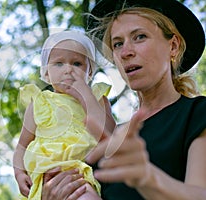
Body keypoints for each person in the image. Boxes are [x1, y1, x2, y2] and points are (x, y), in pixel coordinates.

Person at [41, 0, 206, 199]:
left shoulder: (197, 114)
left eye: (140, 37)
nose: (125, 52)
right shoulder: (107, 137)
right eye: (117, 44)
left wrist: (148, 178)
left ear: (173, 46)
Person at [13, 30, 116, 200]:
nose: (68, 69)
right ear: (46, 73)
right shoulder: (40, 102)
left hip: (81, 173)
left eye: (77, 64)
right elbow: (22, 145)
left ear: (89, 72)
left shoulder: (98, 99)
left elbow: (110, 136)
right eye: (59, 63)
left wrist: (86, 96)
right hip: (47, 174)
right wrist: (18, 173)